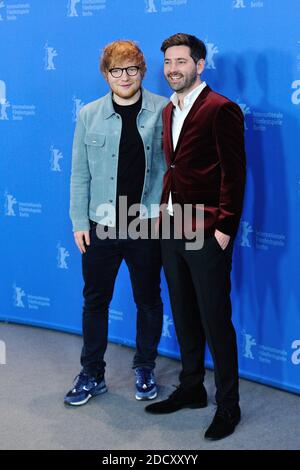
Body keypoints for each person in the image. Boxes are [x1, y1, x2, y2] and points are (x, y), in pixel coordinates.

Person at [145, 33, 246, 441]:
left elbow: (234, 174)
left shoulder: (222, 109)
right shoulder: (169, 110)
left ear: (199, 65)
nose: (173, 68)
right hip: (171, 227)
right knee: (184, 313)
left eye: (181, 61)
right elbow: (173, 170)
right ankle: (191, 390)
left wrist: (224, 229)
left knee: (215, 319)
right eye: (168, 61)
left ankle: (229, 406)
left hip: (207, 231)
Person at [65, 40, 168, 406]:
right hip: (101, 225)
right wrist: (80, 220)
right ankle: (92, 373)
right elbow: (80, 174)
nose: (124, 77)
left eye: (131, 69)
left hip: (146, 225)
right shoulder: (89, 114)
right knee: (95, 301)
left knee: (148, 300)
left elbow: (173, 169)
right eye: (116, 70)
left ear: (142, 71)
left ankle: (144, 367)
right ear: (105, 74)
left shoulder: (163, 110)